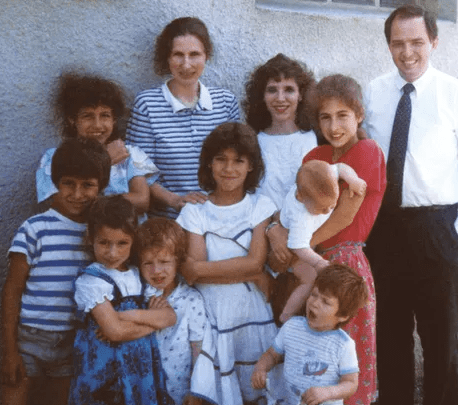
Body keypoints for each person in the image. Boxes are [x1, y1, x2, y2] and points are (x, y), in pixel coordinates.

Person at [363, 5, 458, 405]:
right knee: (390, 340)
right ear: (388, 45)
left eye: (417, 42)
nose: (407, 53)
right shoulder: (373, 94)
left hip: (438, 231)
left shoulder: (457, 96)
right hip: (384, 232)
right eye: (398, 43)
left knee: (441, 344)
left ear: (434, 42)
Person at [269, 74, 386, 405]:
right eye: (325, 117)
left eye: (342, 116)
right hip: (310, 261)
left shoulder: (367, 151)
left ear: (359, 115)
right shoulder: (315, 156)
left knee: (344, 354)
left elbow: (344, 216)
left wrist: (297, 248)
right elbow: (294, 205)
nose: (334, 127)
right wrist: (276, 230)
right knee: (310, 353)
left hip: (342, 262)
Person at [176, 122, 281, 405]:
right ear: (209, 163)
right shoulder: (195, 211)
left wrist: (253, 270)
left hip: (251, 314)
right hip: (212, 314)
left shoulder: (260, 206)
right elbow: (194, 272)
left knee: (256, 390)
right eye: (221, 159)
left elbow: (254, 262)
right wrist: (251, 273)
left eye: (238, 161)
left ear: (251, 166)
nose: (229, 168)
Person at [1, 138, 112, 405]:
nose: (77, 194)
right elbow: (12, 291)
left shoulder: (100, 236)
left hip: (74, 341)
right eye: (68, 183)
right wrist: (9, 351)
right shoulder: (34, 229)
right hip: (29, 339)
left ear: (101, 186)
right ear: (55, 182)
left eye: (87, 185)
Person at [127, 17, 240, 219]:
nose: (186, 65)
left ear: (206, 56)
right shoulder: (147, 104)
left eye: (194, 54)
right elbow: (137, 170)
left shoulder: (225, 102)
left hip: (218, 218)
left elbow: (237, 162)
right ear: (167, 58)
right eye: (178, 55)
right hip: (168, 221)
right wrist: (175, 200)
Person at [69, 195, 175, 405]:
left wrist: (126, 316)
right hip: (106, 375)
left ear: (133, 240)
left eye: (122, 243)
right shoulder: (92, 281)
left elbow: (170, 317)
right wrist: (152, 322)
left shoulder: (139, 276)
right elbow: (115, 332)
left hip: (140, 372)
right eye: (104, 242)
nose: (112, 252)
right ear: (91, 237)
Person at [36, 72, 159, 222]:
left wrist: (92, 200)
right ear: (72, 120)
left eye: (105, 115)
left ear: (114, 120)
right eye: (87, 116)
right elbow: (63, 205)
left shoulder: (128, 155)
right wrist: (105, 161)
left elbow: (141, 201)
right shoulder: (54, 157)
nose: (97, 125)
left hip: (129, 236)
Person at [251, 264, 369, 405]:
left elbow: (350, 383)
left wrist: (328, 393)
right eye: (314, 294)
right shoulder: (292, 327)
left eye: (325, 301)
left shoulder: (343, 345)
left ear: (343, 315)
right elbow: (272, 354)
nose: (315, 303)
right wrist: (261, 368)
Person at [136, 217, 217, 405]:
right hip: (142, 388)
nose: (157, 270)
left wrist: (196, 390)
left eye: (164, 261)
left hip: (179, 390)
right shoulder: (137, 297)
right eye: (148, 263)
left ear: (178, 261)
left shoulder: (191, 299)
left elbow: (198, 347)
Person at [276, 160, 367, 324]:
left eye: (332, 204)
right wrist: (318, 263)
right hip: (290, 246)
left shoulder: (322, 180)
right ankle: (286, 315)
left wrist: (352, 179)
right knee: (309, 278)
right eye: (321, 208)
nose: (327, 210)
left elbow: (341, 167)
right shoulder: (300, 217)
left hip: (306, 239)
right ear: (301, 198)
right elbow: (298, 247)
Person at [242, 53, 318, 210]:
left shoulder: (312, 139)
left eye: (289, 90)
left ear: (301, 95)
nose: (280, 98)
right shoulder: (254, 142)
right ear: (262, 96)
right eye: (272, 90)